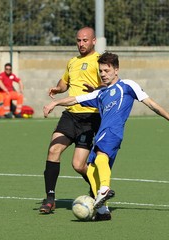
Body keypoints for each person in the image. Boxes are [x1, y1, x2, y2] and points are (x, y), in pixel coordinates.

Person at [43, 51, 169, 221]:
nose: (103, 74)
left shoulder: (127, 85)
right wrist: (56, 102)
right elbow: (75, 99)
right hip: (102, 134)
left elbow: (151, 104)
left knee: (101, 158)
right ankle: (103, 212)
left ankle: (104, 189)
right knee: (93, 169)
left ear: (116, 70)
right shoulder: (99, 93)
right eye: (101, 71)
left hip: (113, 132)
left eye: (106, 71)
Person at [39, 27, 102, 214]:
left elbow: (109, 85)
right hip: (70, 115)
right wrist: (58, 89)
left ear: (93, 41)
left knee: (78, 165)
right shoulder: (72, 62)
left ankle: (96, 188)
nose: (81, 44)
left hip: (90, 117)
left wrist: (96, 89)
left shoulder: (99, 61)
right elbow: (65, 82)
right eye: (78, 41)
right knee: (53, 150)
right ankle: (50, 199)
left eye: (85, 40)